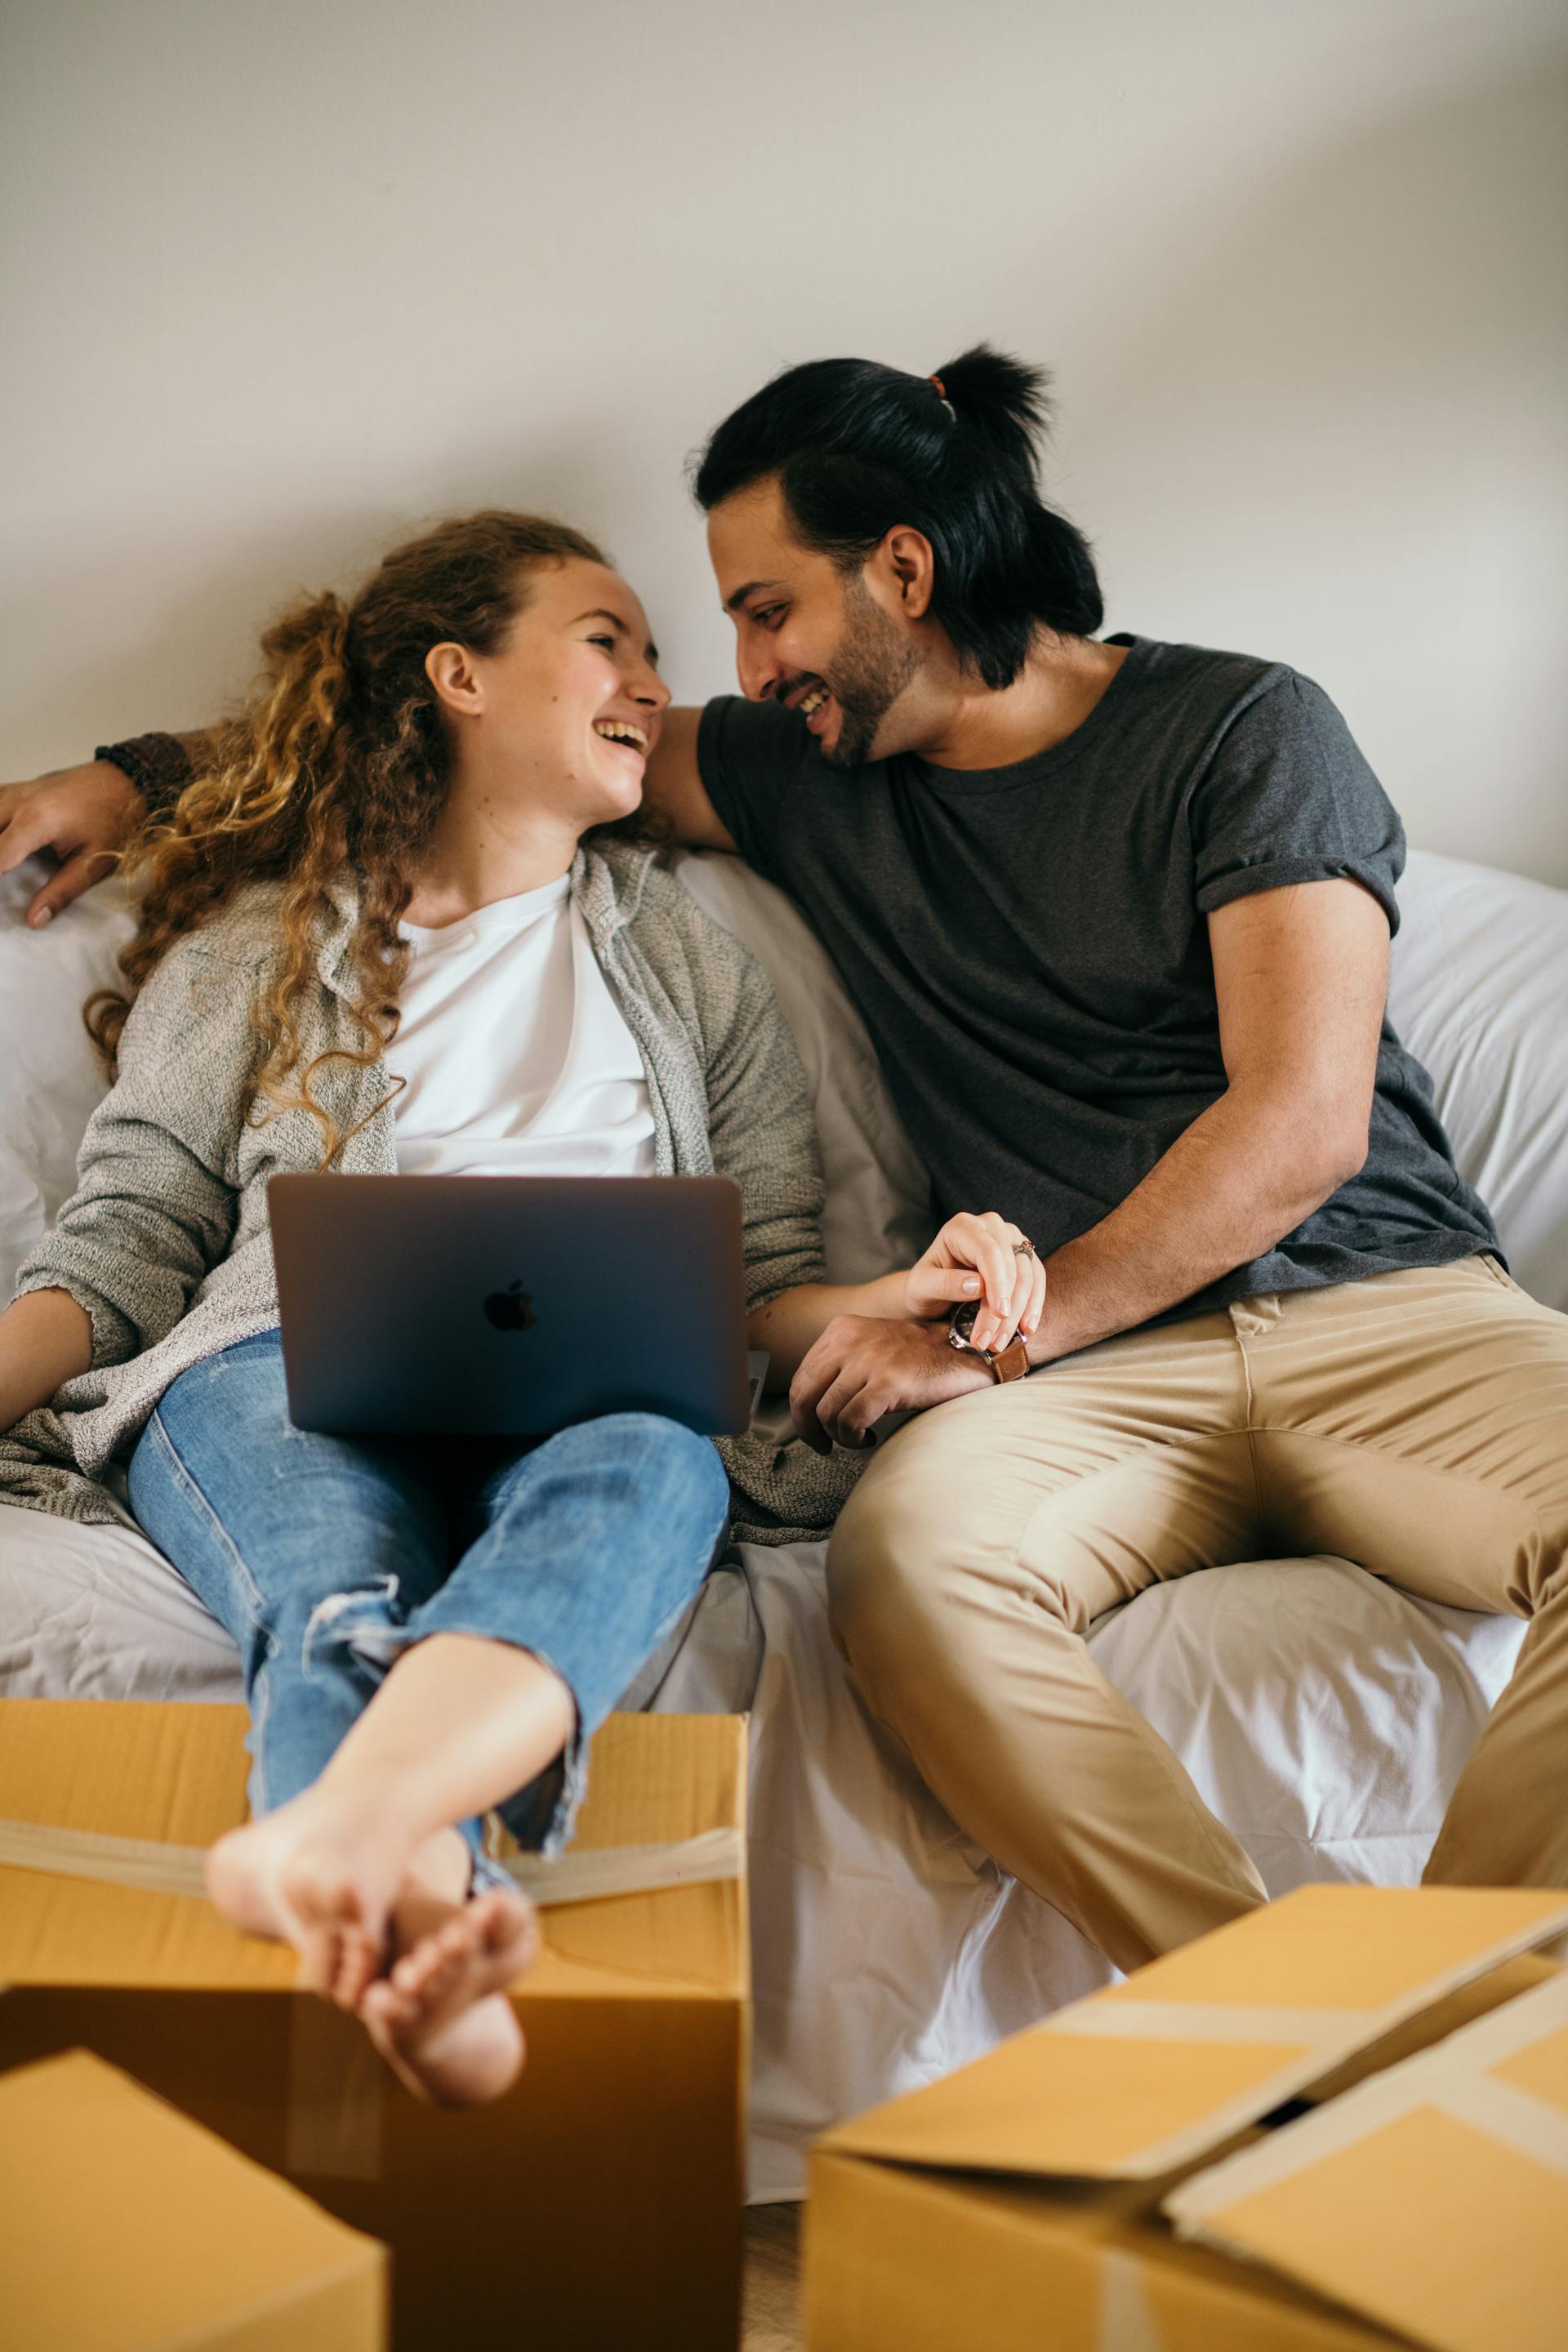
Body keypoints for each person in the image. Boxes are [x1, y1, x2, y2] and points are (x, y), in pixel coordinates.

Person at [10, 350, 1568, 1980]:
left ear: (904, 567)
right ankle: (1264, 2017)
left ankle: (1396, 2038)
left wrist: (973, 1331)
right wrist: (130, 774)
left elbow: (1301, 1122)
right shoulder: (796, 767)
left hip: (1375, 1305)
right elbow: (403, 725)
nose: (745, 674)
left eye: (765, 611)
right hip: (1074, 1383)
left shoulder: (1242, 726)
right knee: (901, 1583)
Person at [0, 507, 1039, 2101]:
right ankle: (426, 1915)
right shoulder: (265, 947)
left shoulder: (693, 960)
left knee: (658, 1464)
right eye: (606, 638)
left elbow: (753, 1283)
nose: (651, 680)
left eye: (657, 654)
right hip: (272, 1360)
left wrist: (881, 1299)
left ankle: (340, 1843)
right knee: (328, 1566)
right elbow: (128, 1239)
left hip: (595, 1385)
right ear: (460, 680)